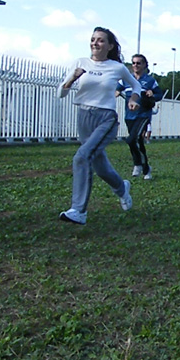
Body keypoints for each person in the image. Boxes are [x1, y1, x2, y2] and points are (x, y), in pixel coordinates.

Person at [57, 27, 140, 225]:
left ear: (110, 46)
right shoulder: (80, 63)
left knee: (82, 156)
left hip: (106, 118)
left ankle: (78, 210)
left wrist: (134, 98)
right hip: (84, 116)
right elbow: (61, 92)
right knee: (100, 166)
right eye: (93, 39)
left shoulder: (117, 67)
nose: (95, 43)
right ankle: (122, 188)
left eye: (101, 40)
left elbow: (135, 85)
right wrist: (72, 79)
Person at [116, 54, 163, 180]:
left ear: (145, 65)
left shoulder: (150, 81)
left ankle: (138, 164)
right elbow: (116, 89)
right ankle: (145, 168)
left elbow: (159, 94)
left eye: (139, 63)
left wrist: (152, 94)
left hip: (143, 114)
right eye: (134, 63)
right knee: (137, 141)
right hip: (129, 115)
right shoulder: (126, 79)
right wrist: (114, 93)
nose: (136, 65)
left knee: (132, 139)